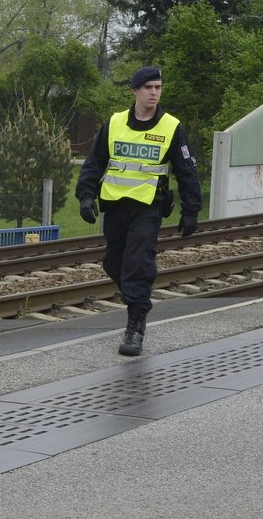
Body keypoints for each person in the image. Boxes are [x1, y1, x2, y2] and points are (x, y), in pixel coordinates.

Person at [75, 66, 201, 356]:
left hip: (148, 207)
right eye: (148, 88)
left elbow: (188, 172)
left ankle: (135, 326)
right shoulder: (115, 123)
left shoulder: (171, 127)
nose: (154, 93)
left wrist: (191, 209)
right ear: (135, 91)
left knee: (138, 264)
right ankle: (138, 300)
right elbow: (94, 162)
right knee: (113, 263)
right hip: (116, 206)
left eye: (158, 87)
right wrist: (85, 196)